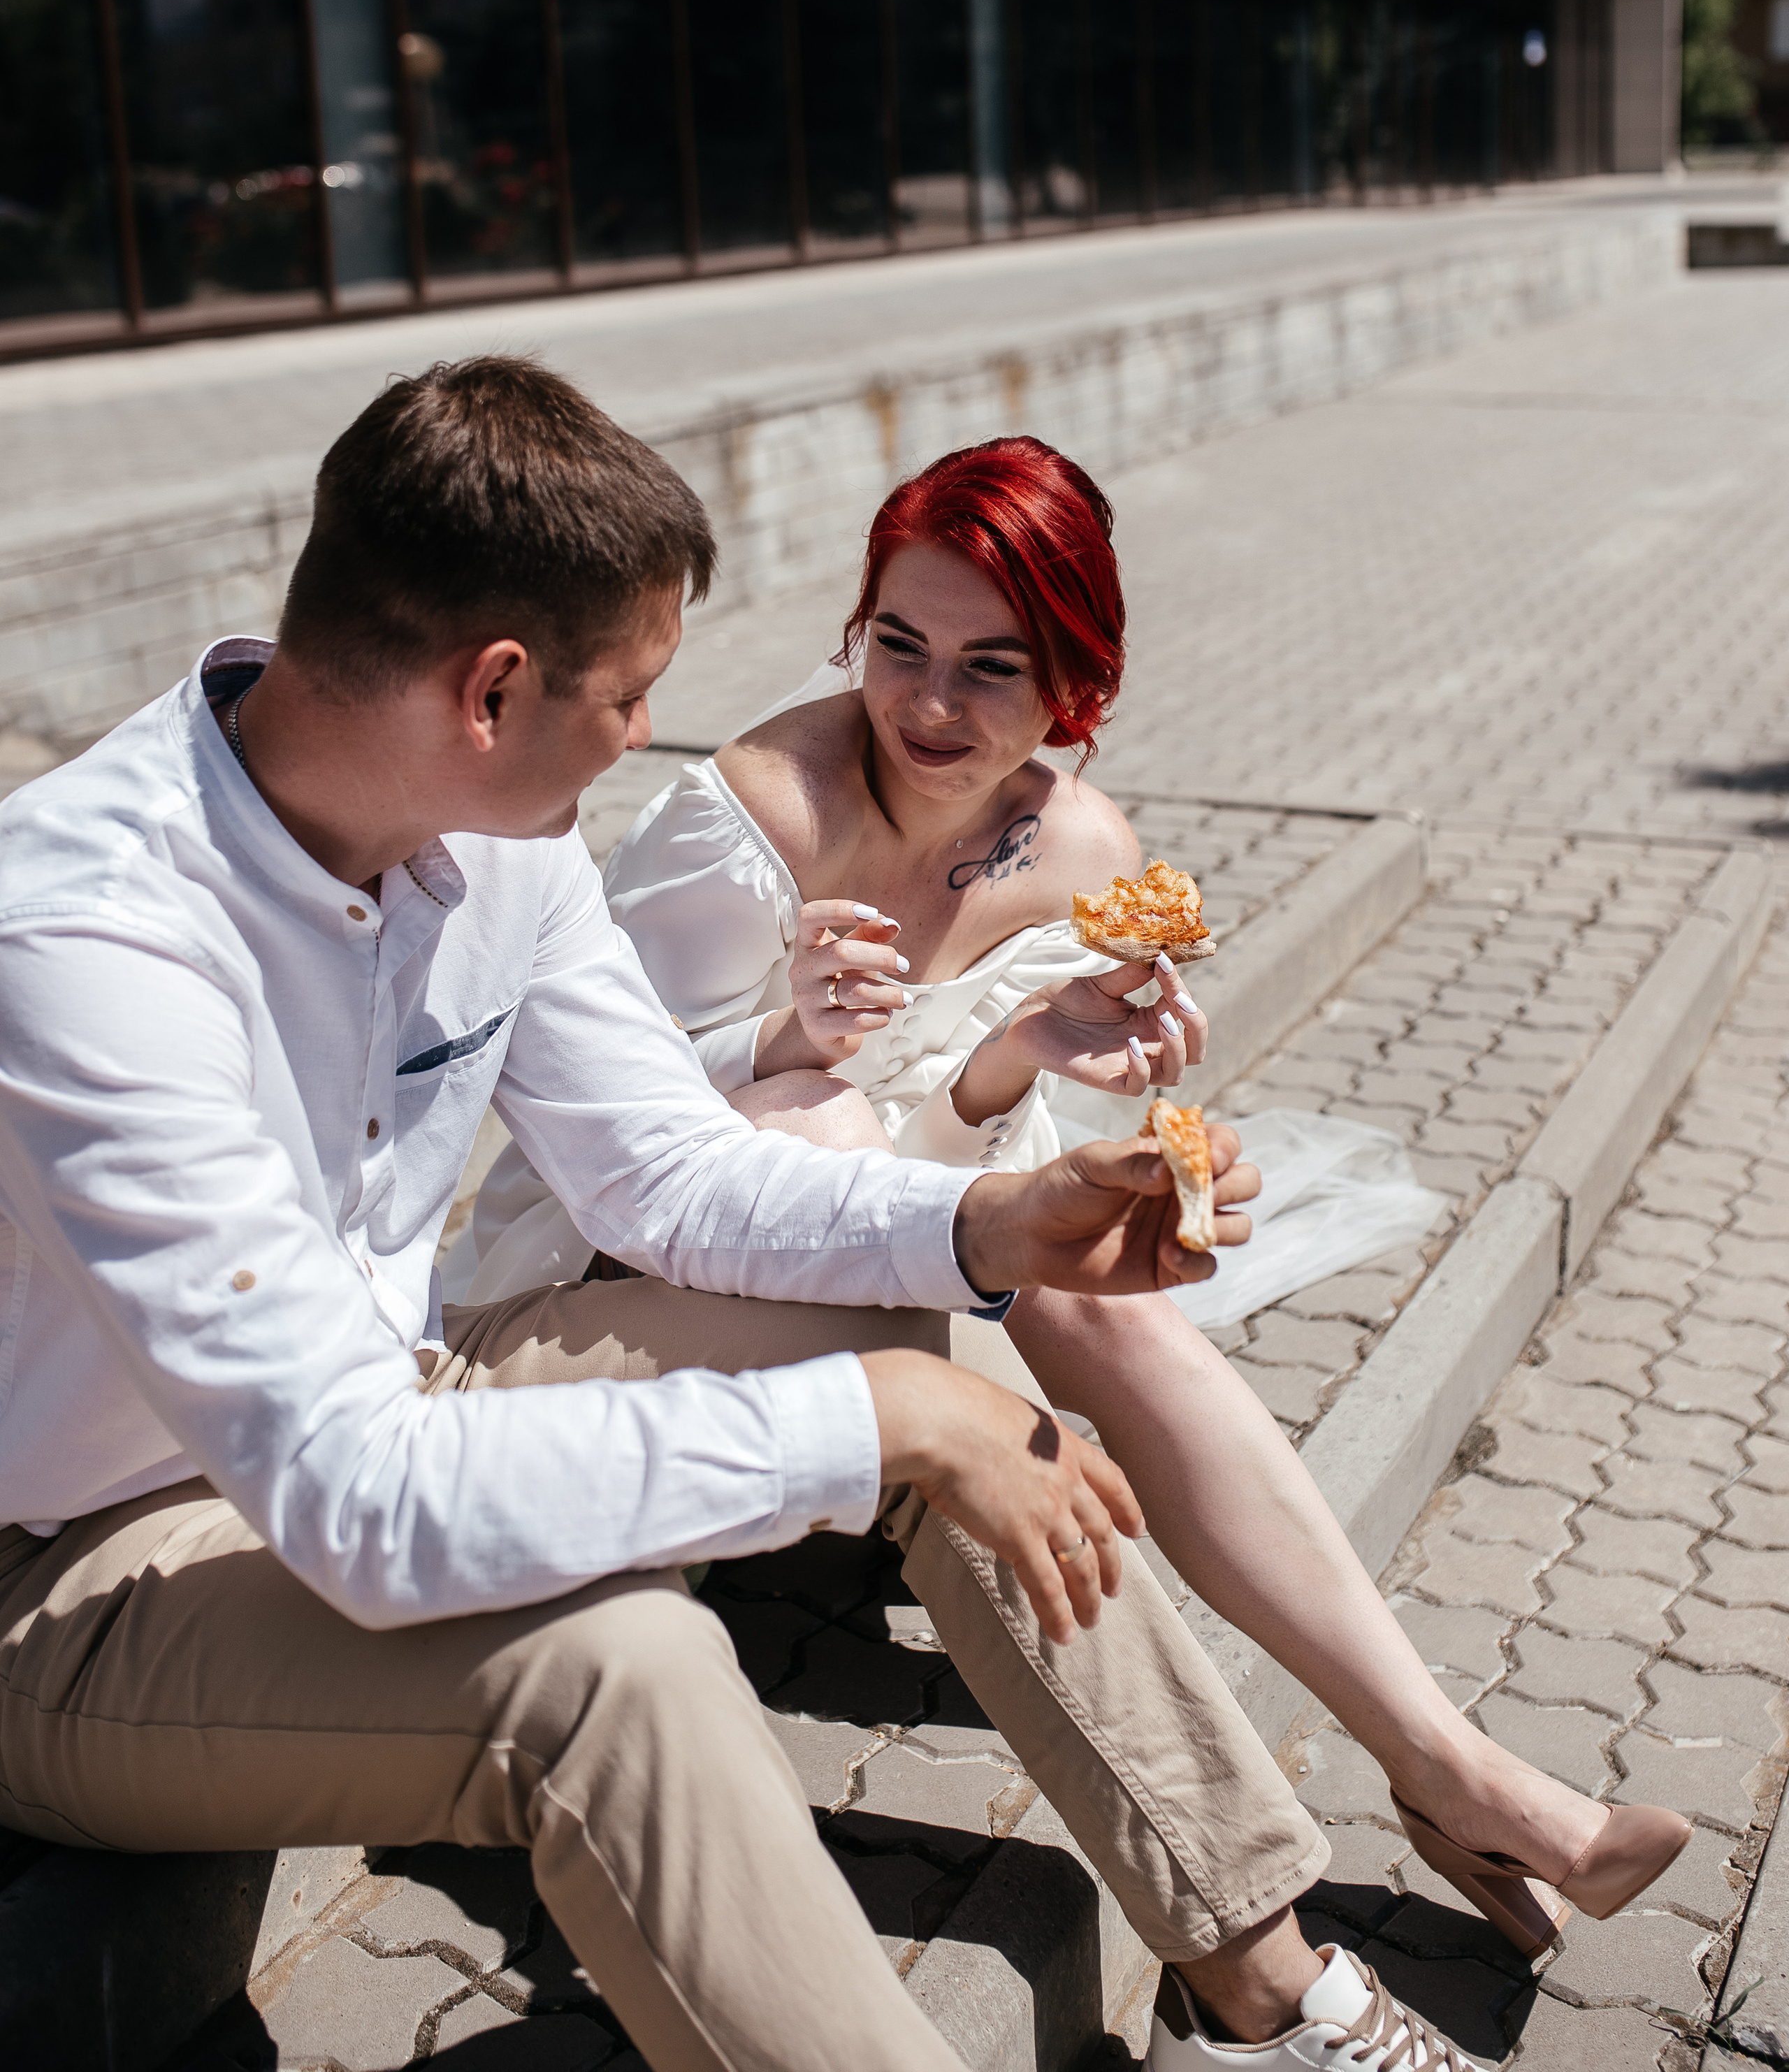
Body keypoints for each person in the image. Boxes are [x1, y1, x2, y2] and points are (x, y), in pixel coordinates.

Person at [0, 356, 1540, 2072]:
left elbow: (663, 1171)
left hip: (404, 1385)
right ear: (494, 690)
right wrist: (873, 1421)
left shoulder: (495, 837)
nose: (653, 737)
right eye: (630, 696)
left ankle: (1259, 1983)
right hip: (89, 1570)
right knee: (625, 1673)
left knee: (910, 1337)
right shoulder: (92, 938)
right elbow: (350, 1496)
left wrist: (992, 1230)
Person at [470, 431, 1693, 1971]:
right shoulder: (754, 816)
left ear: (1074, 684)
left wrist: (1025, 1053)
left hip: (882, 1298)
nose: (927, 705)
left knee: (1093, 1290)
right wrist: (780, 1033)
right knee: (818, 1110)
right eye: (896, 645)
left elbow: (965, 1156)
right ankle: (1267, 1870)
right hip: (607, 1300)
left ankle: (1447, 1765)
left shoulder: (1078, 856)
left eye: (993, 667)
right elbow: (591, 1123)